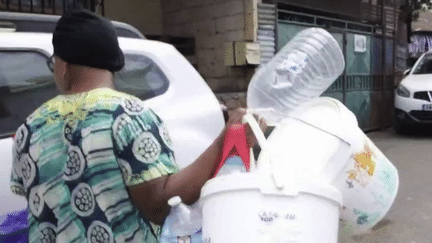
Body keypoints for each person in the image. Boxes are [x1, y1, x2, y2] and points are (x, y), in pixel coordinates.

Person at [10, 9, 265, 243]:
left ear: (63, 65)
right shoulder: (128, 116)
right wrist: (225, 142)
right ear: (113, 65)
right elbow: (161, 206)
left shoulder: (28, 128)